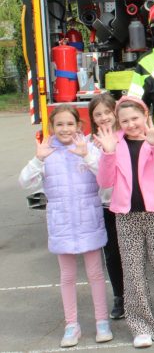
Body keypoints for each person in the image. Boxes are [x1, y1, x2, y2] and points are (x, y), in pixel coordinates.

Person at [94, 96, 154, 347]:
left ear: (145, 116)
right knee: (133, 273)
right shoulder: (114, 143)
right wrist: (107, 153)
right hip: (125, 217)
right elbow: (105, 181)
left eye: (135, 118)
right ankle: (141, 327)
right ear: (118, 121)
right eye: (125, 120)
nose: (131, 124)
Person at [19, 105, 112, 348]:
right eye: (59, 124)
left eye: (70, 124)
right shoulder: (46, 152)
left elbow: (106, 178)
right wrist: (38, 159)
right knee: (67, 276)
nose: (65, 129)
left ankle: (102, 321)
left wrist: (87, 156)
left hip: (89, 220)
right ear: (51, 127)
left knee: (95, 274)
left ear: (79, 126)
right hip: (61, 223)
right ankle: (72, 325)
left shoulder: (89, 147)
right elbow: (25, 182)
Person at [87, 94, 124, 321]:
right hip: (106, 205)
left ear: (115, 112)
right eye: (97, 114)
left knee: (134, 253)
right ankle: (120, 296)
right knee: (112, 253)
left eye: (107, 112)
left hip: (129, 204)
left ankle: (138, 296)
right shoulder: (89, 143)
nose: (103, 117)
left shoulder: (126, 136)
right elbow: (97, 175)